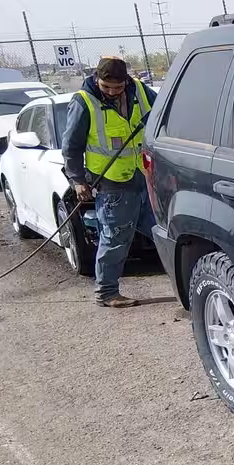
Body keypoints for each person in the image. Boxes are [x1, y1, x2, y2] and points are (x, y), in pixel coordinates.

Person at [61, 56, 157, 308]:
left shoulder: (138, 89)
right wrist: (78, 180)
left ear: (125, 81)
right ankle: (106, 292)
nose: (112, 92)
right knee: (115, 239)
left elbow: (162, 110)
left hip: (143, 176)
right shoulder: (84, 102)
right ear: (96, 79)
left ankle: (186, 283)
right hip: (112, 183)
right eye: (106, 87)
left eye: (118, 87)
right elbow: (71, 146)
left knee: (163, 232)